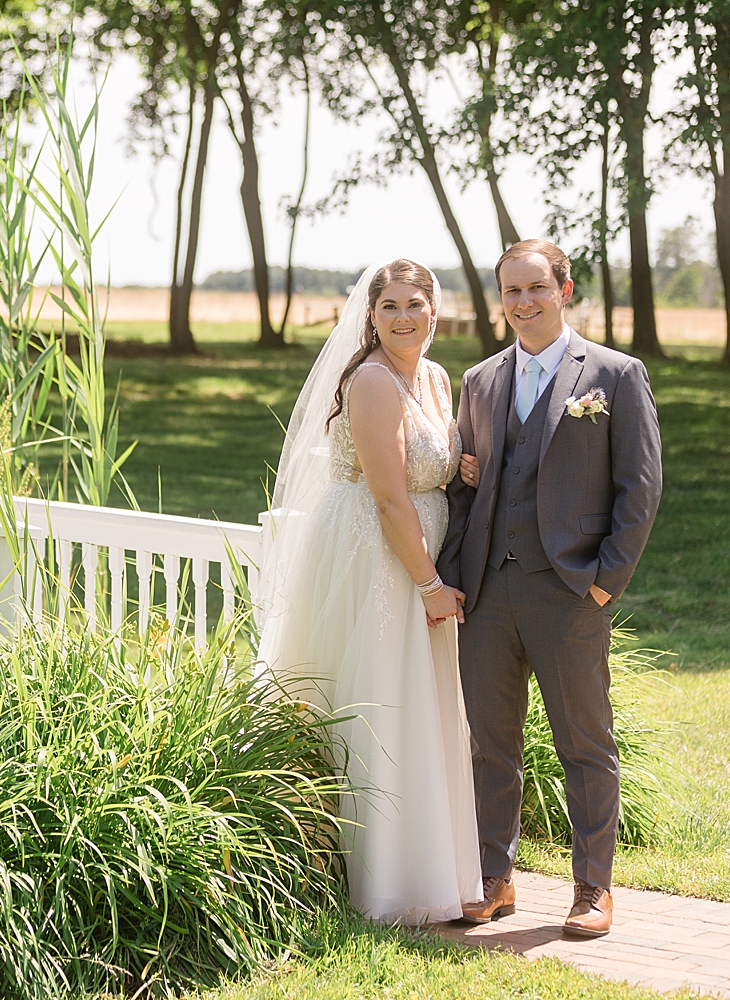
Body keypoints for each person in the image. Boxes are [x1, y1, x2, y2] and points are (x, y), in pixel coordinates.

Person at [439, 239, 662, 938]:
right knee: (490, 746)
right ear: (499, 299)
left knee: (585, 746)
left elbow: (640, 487)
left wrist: (603, 585)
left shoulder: (615, 375)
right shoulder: (479, 380)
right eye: (511, 291)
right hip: (489, 594)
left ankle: (593, 890)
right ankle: (494, 879)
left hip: (570, 595)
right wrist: (456, 576)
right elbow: (464, 489)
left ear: (564, 290)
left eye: (537, 287)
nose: (524, 302)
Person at [257, 259, 484, 925]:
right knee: (382, 699)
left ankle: (430, 868)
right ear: (371, 314)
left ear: (436, 309)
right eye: (390, 306)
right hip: (379, 559)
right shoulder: (372, 381)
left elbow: (427, 468)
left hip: (416, 549)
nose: (404, 317)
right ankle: (383, 881)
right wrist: (430, 583)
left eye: (416, 303)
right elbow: (388, 497)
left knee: (418, 705)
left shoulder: (438, 378)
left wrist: (457, 463)